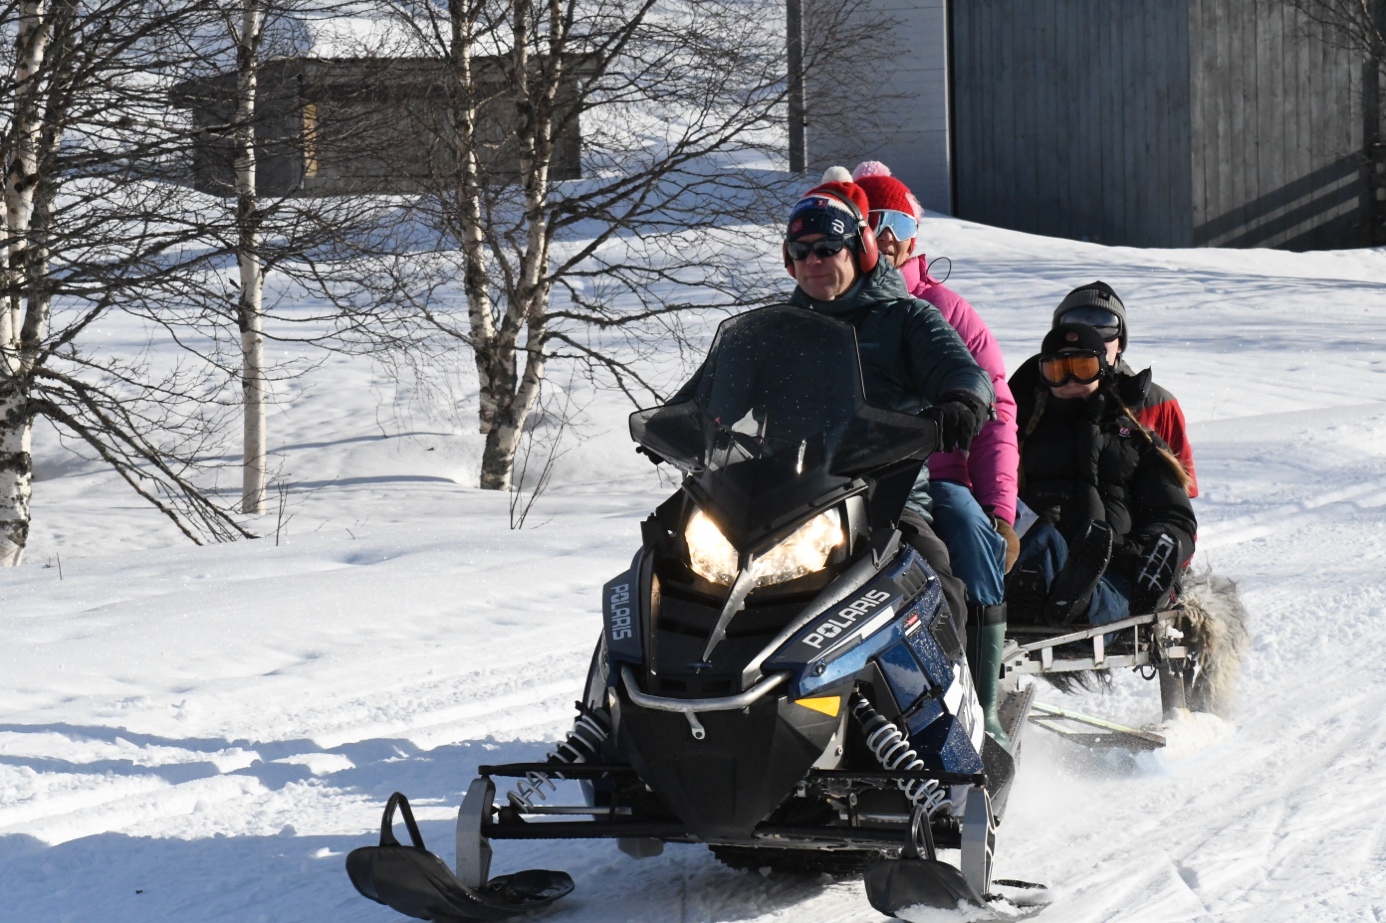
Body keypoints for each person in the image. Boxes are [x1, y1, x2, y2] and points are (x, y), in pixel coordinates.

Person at [829, 161, 1019, 748]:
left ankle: (976, 705)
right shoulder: (823, 303)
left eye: (897, 220)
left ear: (914, 233)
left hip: (933, 472)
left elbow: (993, 410)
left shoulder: (940, 311)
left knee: (962, 527)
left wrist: (999, 509)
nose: (885, 233)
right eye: (872, 219)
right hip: (835, 478)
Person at [1007, 321, 1197, 627]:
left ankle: (1075, 601)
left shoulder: (1137, 440)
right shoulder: (1018, 439)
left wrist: (1140, 550)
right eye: (1057, 371)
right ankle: (1033, 596)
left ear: (1102, 370)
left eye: (1082, 367)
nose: (1069, 379)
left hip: (1114, 563)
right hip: (1039, 555)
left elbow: (1174, 516)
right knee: (1042, 541)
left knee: (1108, 591)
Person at [1009, 281, 1198, 498]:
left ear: (1120, 343)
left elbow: (1179, 495)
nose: (1092, 335)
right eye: (1076, 323)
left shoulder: (1157, 402)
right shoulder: (1021, 398)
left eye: (1106, 325)